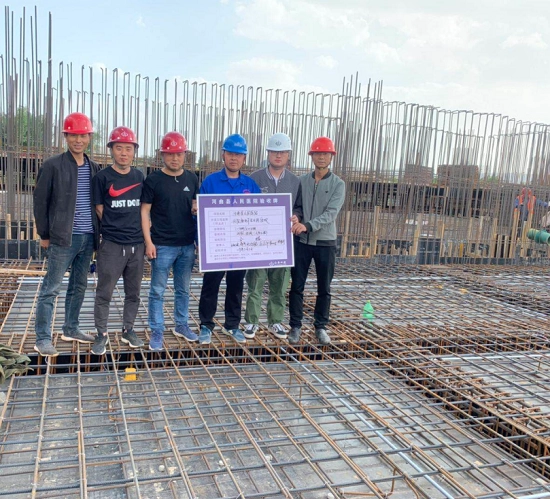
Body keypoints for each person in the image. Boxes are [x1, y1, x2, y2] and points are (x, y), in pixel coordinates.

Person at [33, 112, 99, 357]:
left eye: (82, 136)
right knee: (51, 288)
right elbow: (40, 202)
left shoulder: (94, 168)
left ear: (89, 137)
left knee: (79, 285)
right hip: (62, 237)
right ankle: (42, 338)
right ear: (66, 136)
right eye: (73, 135)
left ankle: (71, 328)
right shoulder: (53, 165)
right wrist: (44, 234)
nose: (78, 140)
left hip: (88, 237)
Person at [198, 133, 261, 345]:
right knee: (210, 285)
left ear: (244, 158)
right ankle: (206, 324)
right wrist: (200, 241)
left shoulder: (250, 185)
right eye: (230, 154)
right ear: (223, 155)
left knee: (236, 287)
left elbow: (260, 216)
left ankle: (232, 325)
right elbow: (199, 215)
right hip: (216, 246)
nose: (234, 158)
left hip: (240, 248)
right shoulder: (211, 182)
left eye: (238, 155)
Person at [141, 131, 199, 351]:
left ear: (185, 155)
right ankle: (157, 330)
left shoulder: (192, 179)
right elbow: (144, 212)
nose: (175, 158)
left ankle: (181, 325)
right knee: (157, 290)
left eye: (179, 154)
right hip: (162, 245)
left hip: (186, 245)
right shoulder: (153, 180)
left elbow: (195, 206)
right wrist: (148, 242)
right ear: (162, 155)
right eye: (170, 154)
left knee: (183, 289)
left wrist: (195, 210)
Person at [91, 126, 145, 355]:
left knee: (133, 293)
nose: (124, 153)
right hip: (112, 245)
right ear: (111, 150)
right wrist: (116, 226)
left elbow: (144, 208)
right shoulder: (102, 178)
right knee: (105, 292)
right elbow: (99, 208)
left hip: (137, 245)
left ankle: (128, 329)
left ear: (134, 151)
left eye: (128, 149)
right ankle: (101, 334)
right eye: (119, 148)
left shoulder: (139, 177)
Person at [243, 133, 302, 340]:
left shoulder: (294, 181)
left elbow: (299, 207)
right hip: (258, 243)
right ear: (268, 153)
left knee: (279, 284)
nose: (278, 155)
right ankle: (251, 321)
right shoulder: (254, 179)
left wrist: (297, 216)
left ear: (288, 155)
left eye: (282, 152)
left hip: (282, 244)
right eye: (274, 152)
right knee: (255, 284)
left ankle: (275, 321)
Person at [288, 136, 345, 345]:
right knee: (297, 286)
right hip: (302, 242)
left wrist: (308, 225)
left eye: (325, 153)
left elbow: (331, 213)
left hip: (325, 243)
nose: (321, 157)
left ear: (331, 157)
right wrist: (297, 217)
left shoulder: (338, 184)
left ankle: (320, 326)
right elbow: (298, 206)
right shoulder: (301, 181)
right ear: (312, 156)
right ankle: (295, 325)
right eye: (318, 153)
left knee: (324, 288)